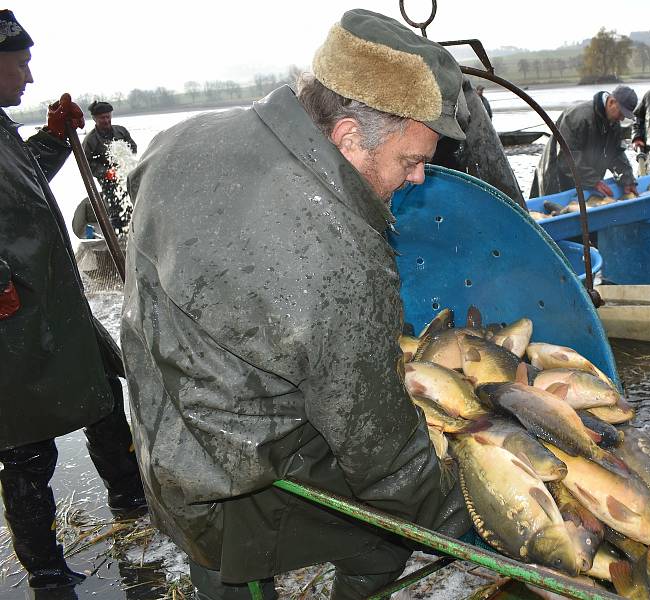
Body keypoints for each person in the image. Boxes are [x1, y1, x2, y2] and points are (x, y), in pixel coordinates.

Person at [121, 9, 470, 600]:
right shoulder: (341, 252)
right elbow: (379, 452)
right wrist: (470, 519)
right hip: (231, 484)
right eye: (411, 161)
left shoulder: (184, 136)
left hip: (159, 430)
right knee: (383, 535)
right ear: (349, 137)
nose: (416, 179)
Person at [0, 10, 146, 591]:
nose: (29, 76)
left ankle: (132, 503)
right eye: (20, 62)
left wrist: (56, 140)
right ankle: (46, 571)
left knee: (105, 397)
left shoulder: (2, 128)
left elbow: (24, 179)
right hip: (13, 316)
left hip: (54, 302)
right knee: (26, 444)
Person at [536, 85, 639, 197]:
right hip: (557, 179)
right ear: (611, 102)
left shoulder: (613, 123)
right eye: (621, 113)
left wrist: (627, 178)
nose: (622, 118)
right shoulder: (578, 118)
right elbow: (567, 157)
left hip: (586, 181)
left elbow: (615, 154)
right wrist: (594, 181)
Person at [81, 100, 137, 234]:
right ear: (94, 118)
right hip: (108, 179)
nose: (106, 120)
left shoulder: (121, 131)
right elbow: (86, 164)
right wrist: (106, 172)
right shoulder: (90, 140)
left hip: (126, 173)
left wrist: (127, 158)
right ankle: (117, 236)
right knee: (116, 209)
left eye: (108, 116)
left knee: (134, 202)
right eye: (102, 118)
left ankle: (135, 232)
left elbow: (133, 147)